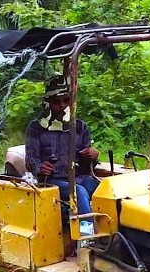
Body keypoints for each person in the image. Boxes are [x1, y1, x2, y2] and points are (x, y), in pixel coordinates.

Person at [24, 77, 100, 216]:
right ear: (48, 103)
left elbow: (86, 166)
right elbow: (30, 160)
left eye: (66, 100)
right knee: (80, 193)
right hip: (51, 181)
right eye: (56, 102)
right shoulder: (36, 128)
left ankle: (112, 232)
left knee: (103, 190)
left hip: (78, 177)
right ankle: (86, 236)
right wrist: (40, 167)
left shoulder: (80, 127)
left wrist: (93, 156)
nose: (62, 105)